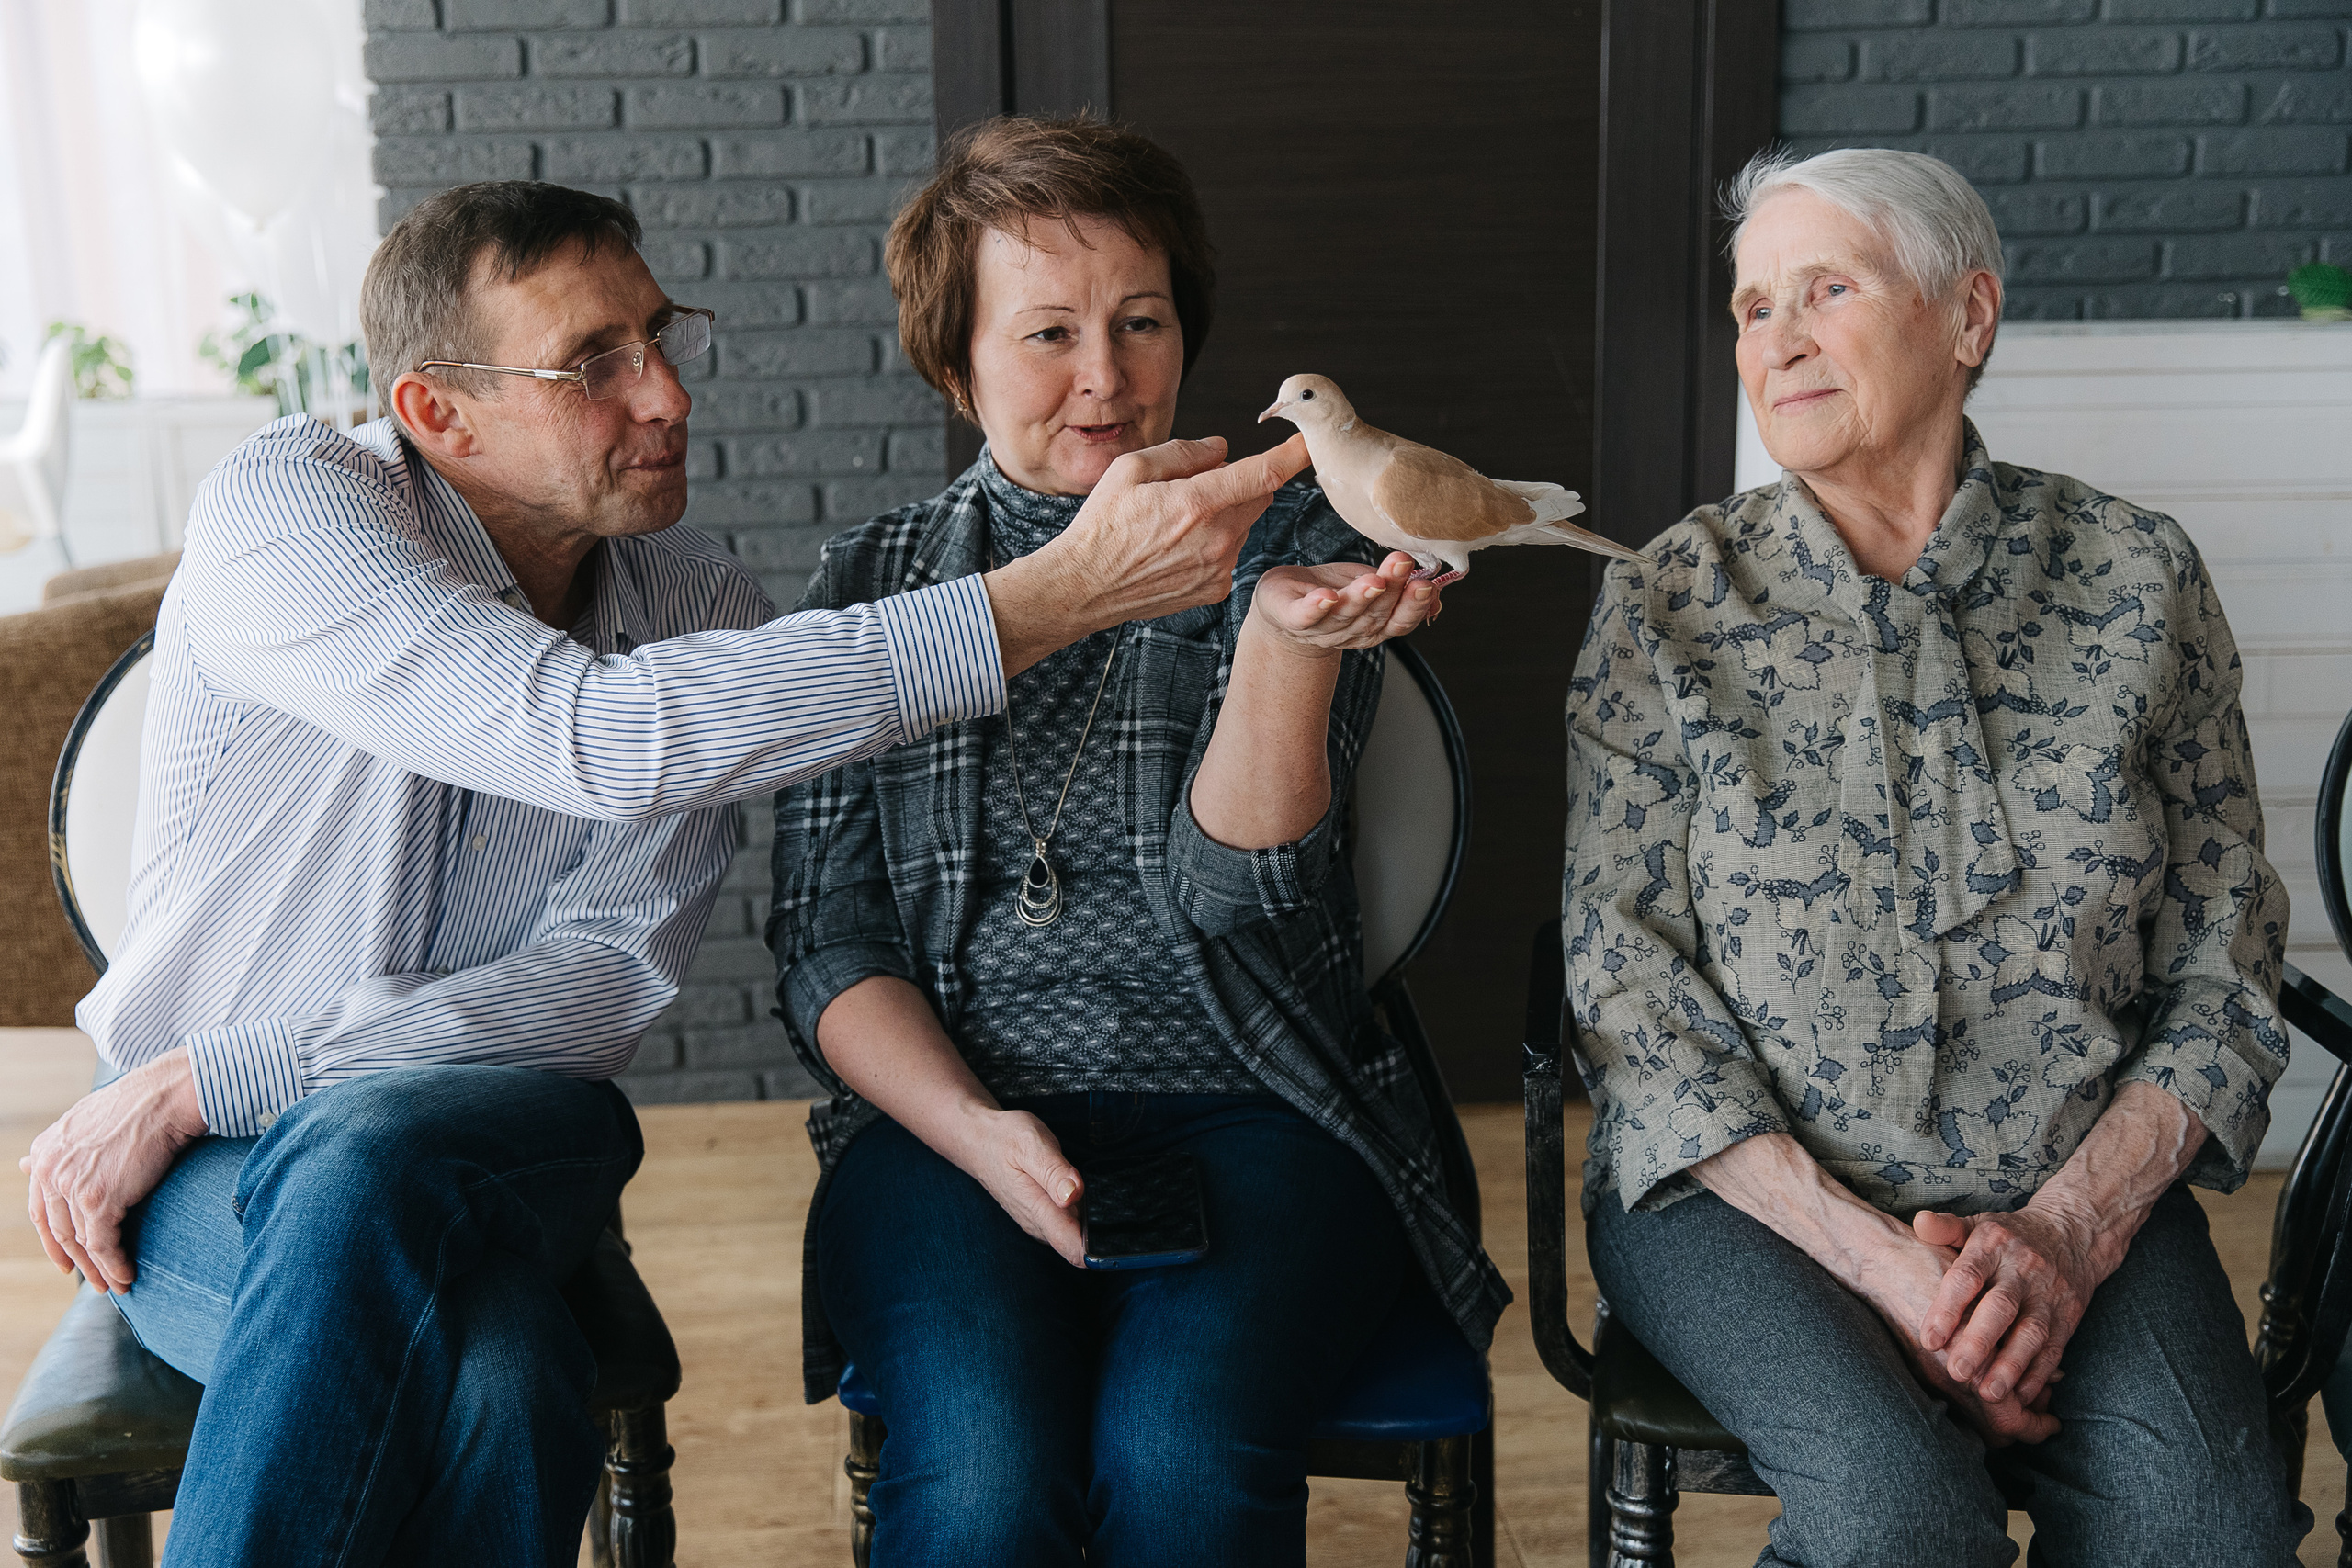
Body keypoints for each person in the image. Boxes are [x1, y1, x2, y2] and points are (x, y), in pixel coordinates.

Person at [17, 179, 1309, 1566]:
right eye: (594, 365)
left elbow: (600, 984)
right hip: (209, 1170)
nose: (667, 397)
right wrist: (1057, 595)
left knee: (379, 1142)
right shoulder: (291, 510)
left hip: (483, 1133)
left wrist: (224, 1067)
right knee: (499, 1376)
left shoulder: (697, 605)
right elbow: (587, 736)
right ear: (437, 415)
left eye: (659, 335)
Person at [766, 115, 1510, 1567]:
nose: (1106, 375)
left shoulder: (1292, 538)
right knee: (981, 1472)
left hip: (1262, 1100)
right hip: (944, 1117)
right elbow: (828, 944)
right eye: (1047, 331)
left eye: (1142, 321)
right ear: (955, 357)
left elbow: (1245, 901)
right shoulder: (869, 587)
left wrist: (1290, 653)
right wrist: (976, 1134)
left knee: (1178, 1461)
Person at [1563, 146, 2305, 1564]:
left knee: (2210, 1524)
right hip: (1748, 1200)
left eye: (1823, 289)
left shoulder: (2137, 577)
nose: (1773, 340)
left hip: (2070, 1176)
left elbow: (2227, 961)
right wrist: (1891, 1271)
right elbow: (1627, 991)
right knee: (1900, 1517)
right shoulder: (1667, 601)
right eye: (1750, 306)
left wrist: (2069, 1235)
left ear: (1967, 317)